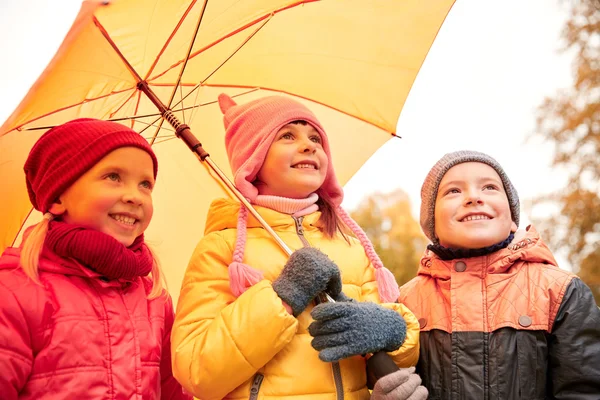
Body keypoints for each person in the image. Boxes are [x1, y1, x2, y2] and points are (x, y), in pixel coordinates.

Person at [171, 94, 424, 399]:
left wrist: (392, 332)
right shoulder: (220, 248)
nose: (309, 145)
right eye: (287, 135)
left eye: (315, 137)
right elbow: (196, 371)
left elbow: (392, 361)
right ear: (253, 158)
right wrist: (283, 297)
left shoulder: (352, 248)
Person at [0, 118, 191, 399]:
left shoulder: (154, 299)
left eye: (145, 184)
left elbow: (174, 390)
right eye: (113, 177)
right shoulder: (15, 294)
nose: (134, 196)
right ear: (58, 198)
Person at [398, 150, 600, 399]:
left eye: (489, 187)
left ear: (513, 220)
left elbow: (584, 390)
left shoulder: (560, 292)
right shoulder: (405, 302)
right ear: (432, 224)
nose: (473, 197)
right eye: (453, 191)